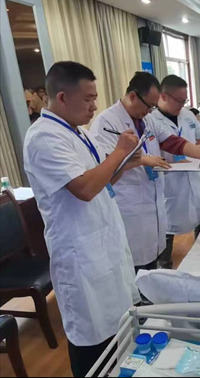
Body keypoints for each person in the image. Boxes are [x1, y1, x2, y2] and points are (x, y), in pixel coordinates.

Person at [23, 61, 143, 377]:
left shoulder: (77, 132)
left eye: (95, 98)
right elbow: (85, 189)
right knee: (91, 344)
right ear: (62, 97)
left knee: (117, 334)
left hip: (103, 243)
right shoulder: (44, 138)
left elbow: (103, 180)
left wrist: (127, 161)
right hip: (80, 255)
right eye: (88, 99)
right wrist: (119, 152)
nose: (94, 107)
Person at [90, 72, 179, 274]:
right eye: (149, 106)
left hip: (150, 200)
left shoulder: (146, 120)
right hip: (128, 204)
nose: (149, 112)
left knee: (151, 262)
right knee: (133, 266)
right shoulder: (106, 123)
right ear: (132, 96)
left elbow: (171, 141)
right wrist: (142, 160)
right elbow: (106, 167)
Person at [147, 75, 200, 269]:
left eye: (184, 100)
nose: (182, 105)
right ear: (163, 96)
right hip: (170, 181)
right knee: (167, 228)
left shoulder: (187, 115)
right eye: (178, 100)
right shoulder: (151, 121)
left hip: (194, 175)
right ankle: (165, 266)